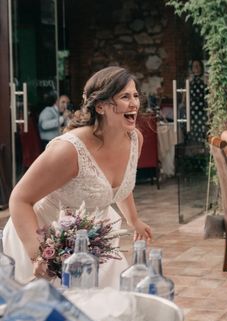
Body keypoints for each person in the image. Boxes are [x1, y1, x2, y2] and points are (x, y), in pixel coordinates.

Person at [3, 66, 152, 287]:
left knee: (104, 311)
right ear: (100, 106)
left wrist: (134, 220)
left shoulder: (134, 139)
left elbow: (118, 186)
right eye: (125, 97)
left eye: (136, 96)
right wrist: (40, 254)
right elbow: (19, 199)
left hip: (95, 240)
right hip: (46, 236)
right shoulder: (70, 150)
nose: (134, 104)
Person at [187, 59, 208, 145]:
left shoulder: (205, 78)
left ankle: (203, 146)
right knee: (193, 129)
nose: (196, 68)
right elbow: (185, 94)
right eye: (194, 66)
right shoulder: (189, 80)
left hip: (203, 108)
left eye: (198, 66)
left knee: (203, 128)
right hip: (192, 109)